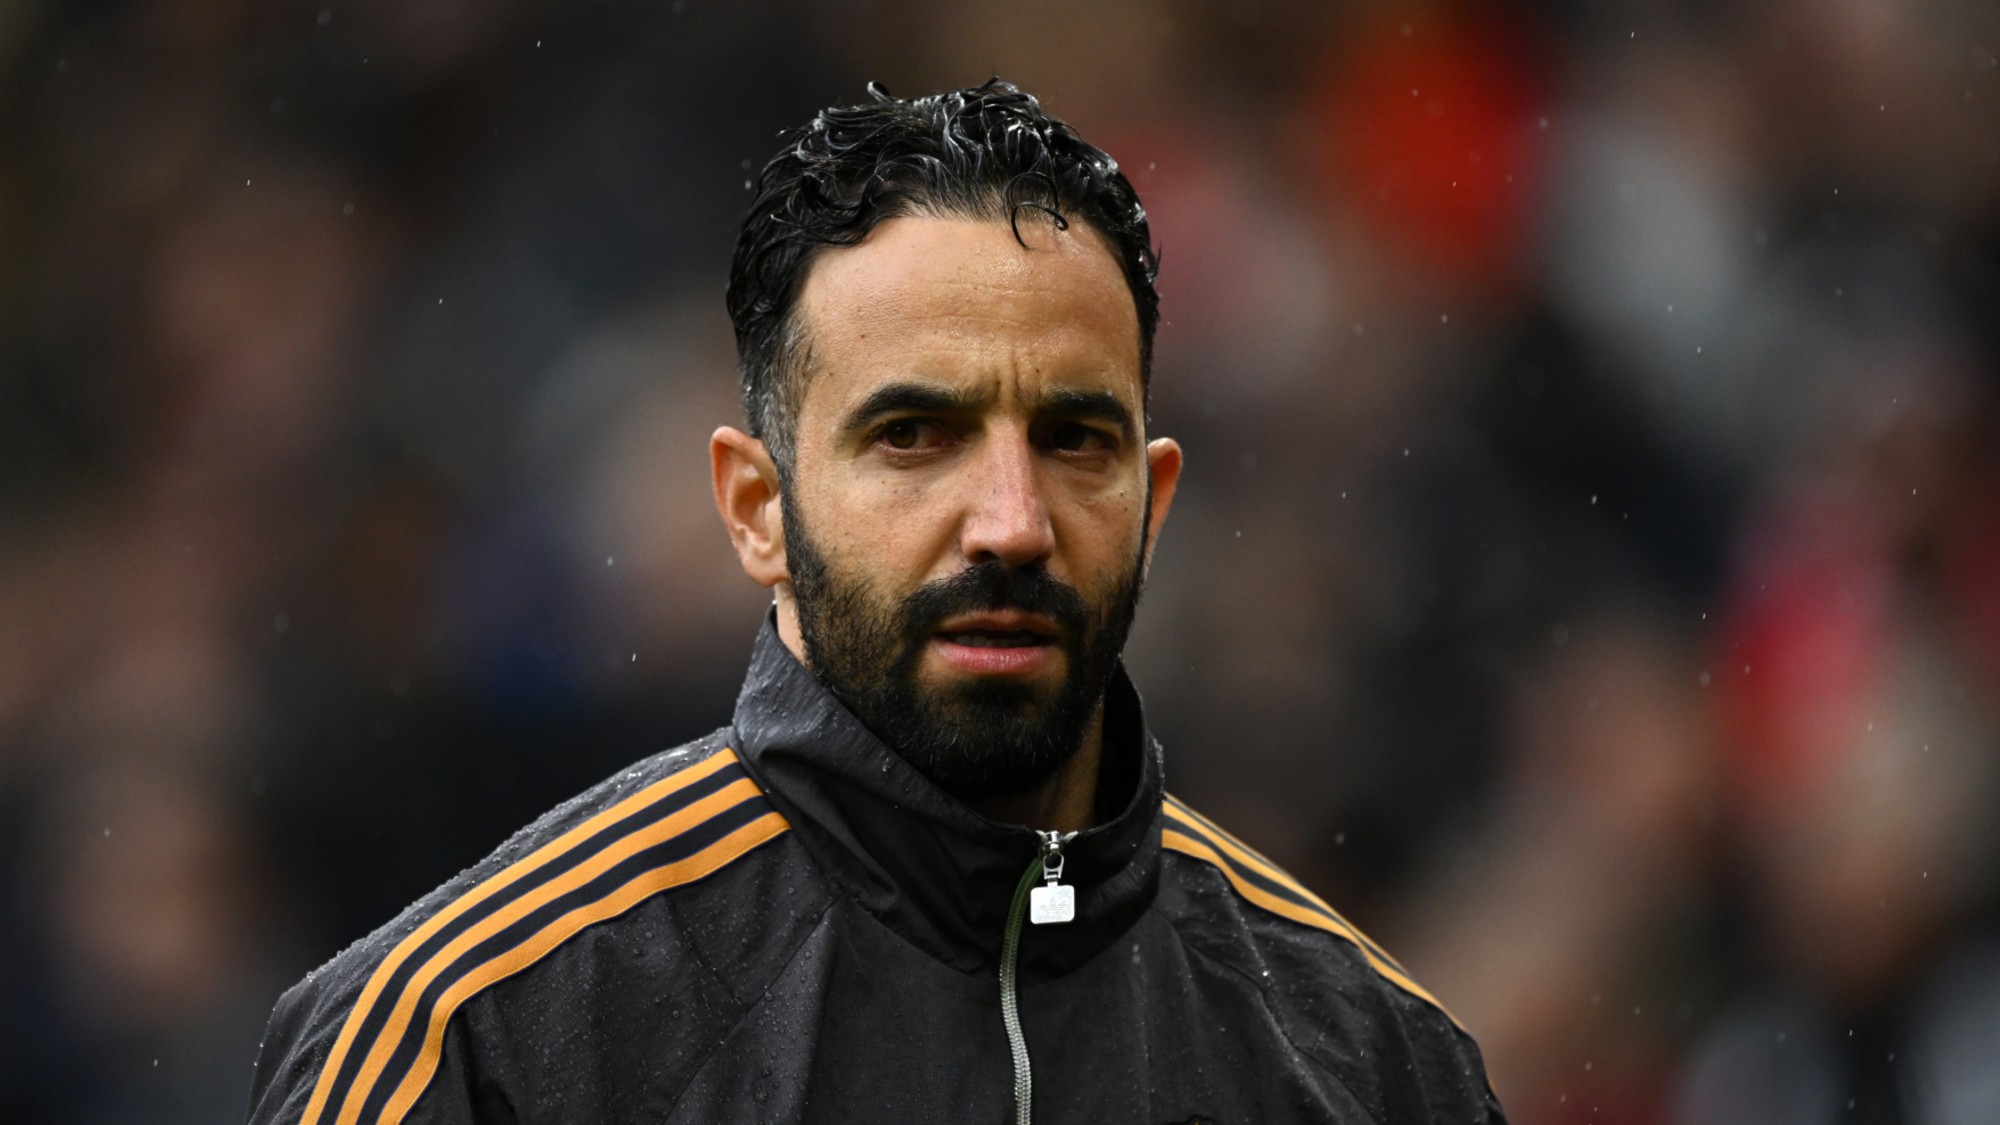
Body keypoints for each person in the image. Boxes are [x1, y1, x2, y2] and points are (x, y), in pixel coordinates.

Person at [246, 79, 1504, 1125]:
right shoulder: (471, 1042)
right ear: (755, 509)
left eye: (1073, 439)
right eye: (914, 435)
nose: (1011, 522)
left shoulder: (1378, 1068)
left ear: (1153, 502)